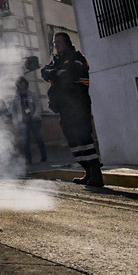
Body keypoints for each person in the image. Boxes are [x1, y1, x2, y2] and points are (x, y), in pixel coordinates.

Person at [41, 31, 102, 187]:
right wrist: (56, 73)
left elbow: (70, 75)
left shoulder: (77, 58)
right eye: (55, 43)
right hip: (64, 108)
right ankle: (87, 172)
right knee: (73, 141)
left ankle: (96, 173)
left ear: (66, 42)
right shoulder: (56, 60)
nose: (56, 45)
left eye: (59, 42)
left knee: (84, 139)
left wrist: (57, 74)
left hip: (78, 106)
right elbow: (44, 72)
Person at [11, 78, 47, 164]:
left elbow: (38, 105)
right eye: (19, 84)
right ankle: (28, 159)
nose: (21, 85)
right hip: (23, 121)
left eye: (22, 83)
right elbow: (14, 110)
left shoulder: (32, 93)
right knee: (25, 141)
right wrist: (15, 122)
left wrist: (36, 115)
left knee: (38, 138)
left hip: (34, 120)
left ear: (26, 84)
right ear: (17, 85)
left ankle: (44, 157)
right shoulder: (16, 96)